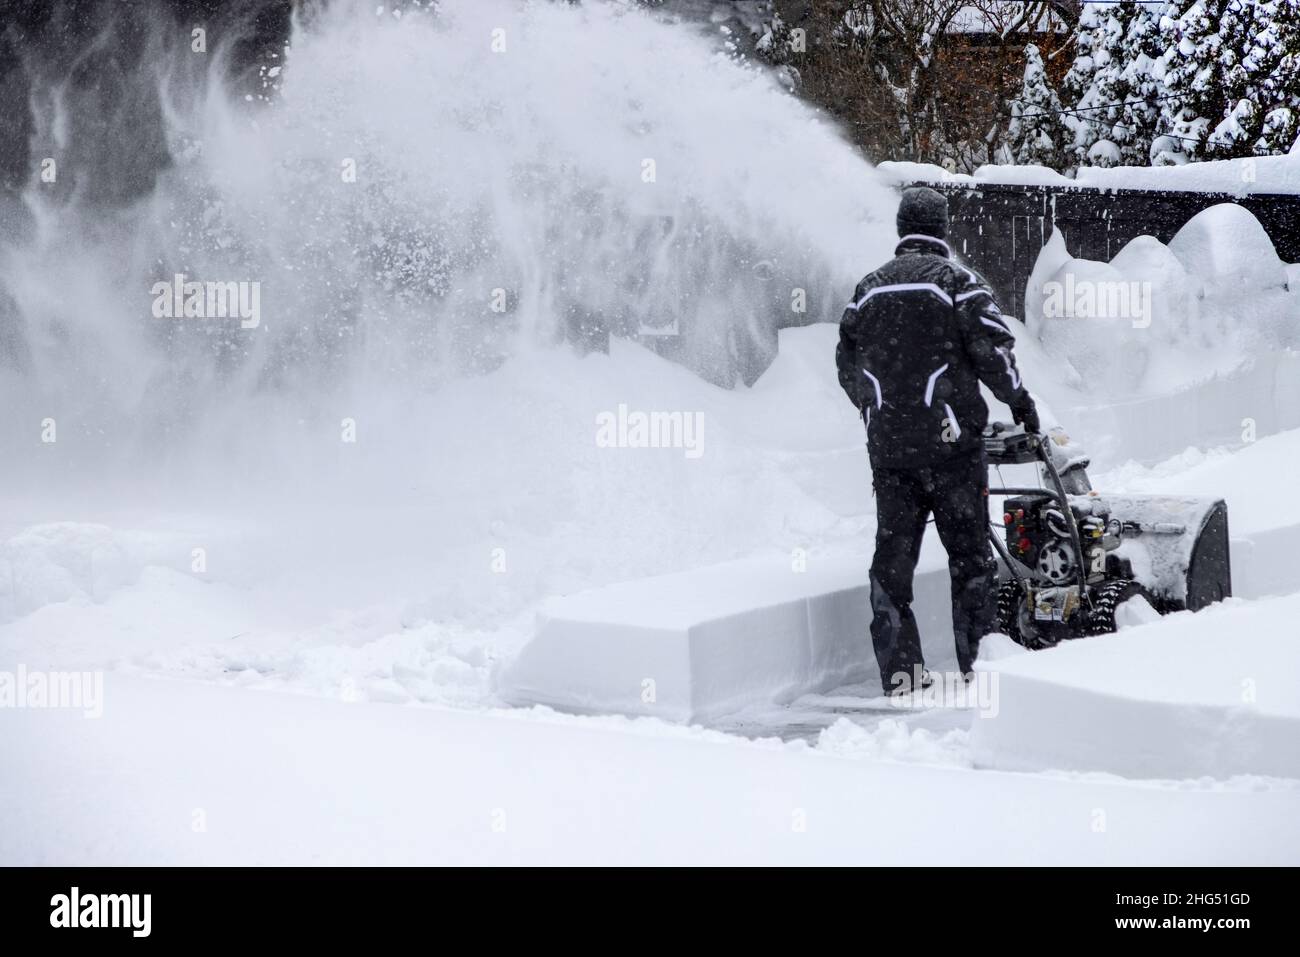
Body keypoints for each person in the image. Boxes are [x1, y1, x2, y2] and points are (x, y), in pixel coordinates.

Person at [836, 186, 1039, 695]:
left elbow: (846, 363)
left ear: (902, 229)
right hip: (952, 450)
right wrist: (1020, 403)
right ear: (942, 229)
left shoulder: (867, 288)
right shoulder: (958, 282)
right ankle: (979, 668)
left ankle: (902, 676)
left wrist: (876, 406)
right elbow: (993, 351)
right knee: (969, 558)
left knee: (892, 562)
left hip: (890, 453)